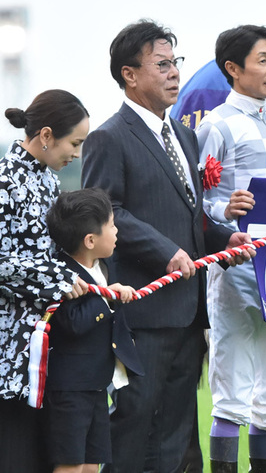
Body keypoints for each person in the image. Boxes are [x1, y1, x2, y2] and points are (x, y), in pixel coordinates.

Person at [81, 20, 253, 473]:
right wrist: (166, 252)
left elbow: (188, 215)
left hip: (187, 309)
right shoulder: (108, 137)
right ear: (129, 75)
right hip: (142, 310)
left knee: (177, 426)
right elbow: (107, 211)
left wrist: (222, 237)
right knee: (136, 420)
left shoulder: (183, 135)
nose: (174, 72)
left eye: (175, 62)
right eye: (162, 64)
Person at [195, 25, 266, 473]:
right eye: (262, 60)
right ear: (233, 69)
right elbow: (195, 201)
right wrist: (223, 211)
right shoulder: (215, 124)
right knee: (231, 389)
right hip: (234, 268)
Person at [0, 89, 90, 473]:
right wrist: (56, 280)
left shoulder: (48, 182)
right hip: (12, 347)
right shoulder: (5, 182)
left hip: (45, 335)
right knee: (16, 450)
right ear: (47, 135)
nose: (77, 154)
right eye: (75, 143)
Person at [42, 188, 144, 473]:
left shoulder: (103, 268)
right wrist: (106, 299)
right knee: (70, 463)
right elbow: (71, 321)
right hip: (70, 389)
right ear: (90, 240)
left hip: (97, 385)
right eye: (111, 225)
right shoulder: (63, 275)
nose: (116, 230)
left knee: (90, 463)